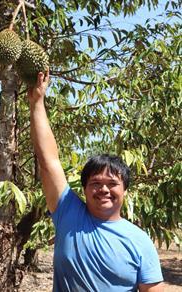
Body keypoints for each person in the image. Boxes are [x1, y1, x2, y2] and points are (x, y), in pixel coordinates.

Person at [27, 70, 164, 292]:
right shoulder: (68, 213)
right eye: (95, 183)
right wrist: (37, 103)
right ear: (84, 189)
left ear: (125, 191)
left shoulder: (139, 240)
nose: (103, 189)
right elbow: (48, 160)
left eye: (112, 184)